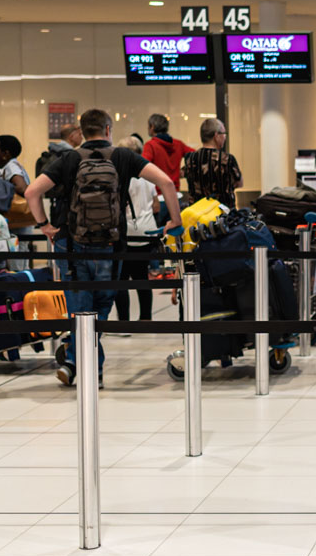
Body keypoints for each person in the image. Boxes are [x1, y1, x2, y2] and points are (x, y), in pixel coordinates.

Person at [24, 108, 181, 386]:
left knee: (79, 306)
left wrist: (45, 225)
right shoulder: (123, 157)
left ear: (82, 132)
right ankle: (87, 366)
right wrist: (174, 222)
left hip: (71, 242)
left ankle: (76, 362)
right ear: (108, 130)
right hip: (111, 243)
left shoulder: (68, 159)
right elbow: (167, 182)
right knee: (101, 305)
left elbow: (31, 192)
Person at [113, 136, 162, 328]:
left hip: (126, 232)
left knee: (121, 280)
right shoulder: (147, 176)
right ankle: (146, 318)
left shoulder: (120, 176)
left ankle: (123, 322)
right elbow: (156, 206)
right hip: (146, 230)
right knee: (142, 277)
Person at [183, 118, 243, 208]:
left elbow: (184, 175)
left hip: (197, 213)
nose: (225, 137)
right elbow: (239, 183)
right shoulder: (227, 159)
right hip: (223, 214)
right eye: (224, 134)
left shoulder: (190, 158)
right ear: (216, 135)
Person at [144, 113, 193, 191]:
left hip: (158, 193)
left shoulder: (150, 146)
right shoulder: (178, 144)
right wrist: (184, 171)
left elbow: (143, 167)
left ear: (152, 127)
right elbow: (196, 156)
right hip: (175, 193)